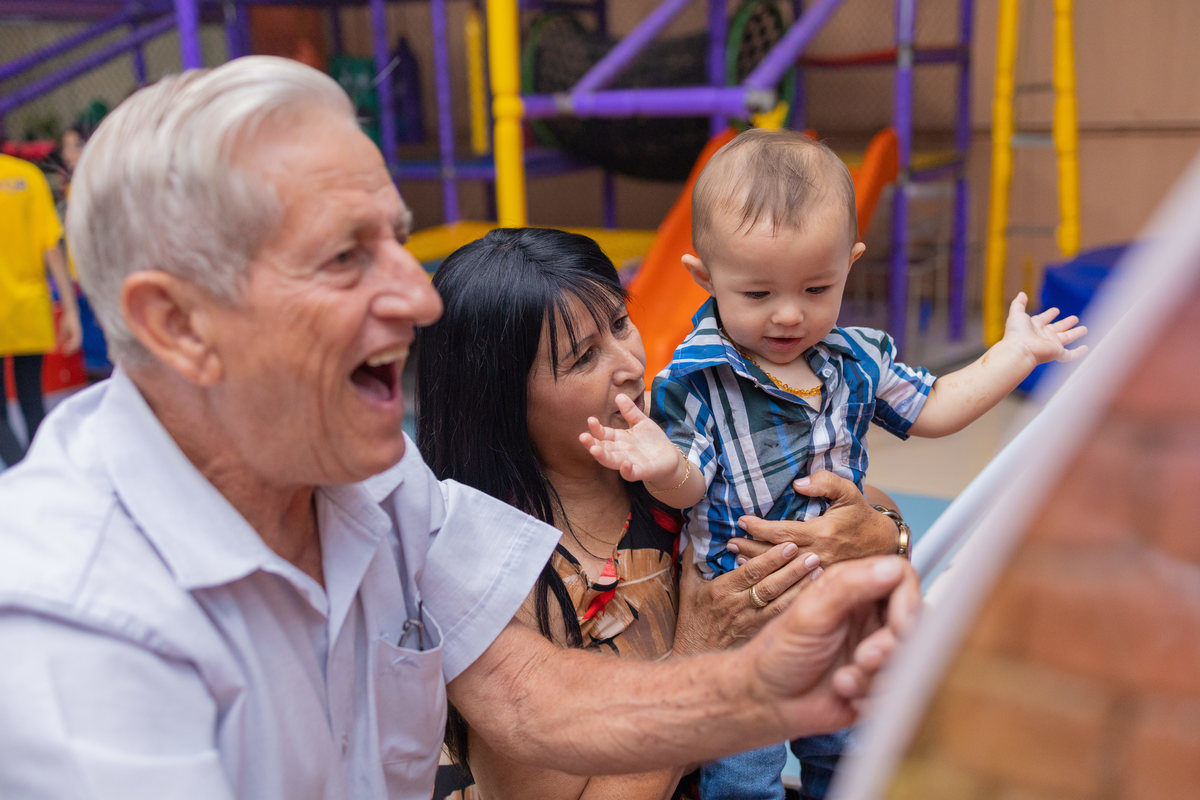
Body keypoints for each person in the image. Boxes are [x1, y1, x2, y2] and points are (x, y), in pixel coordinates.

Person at [0, 57, 920, 800]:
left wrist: (769, 683)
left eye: (397, 240)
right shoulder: (77, 635)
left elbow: (527, 694)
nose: (415, 295)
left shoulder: (375, 481)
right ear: (178, 325)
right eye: (345, 256)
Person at [581, 127, 1088, 799]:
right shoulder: (695, 381)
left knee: (851, 748)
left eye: (817, 288)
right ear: (706, 279)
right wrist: (659, 463)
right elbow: (689, 486)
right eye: (758, 295)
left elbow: (933, 406)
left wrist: (1012, 357)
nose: (790, 315)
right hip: (746, 618)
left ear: (849, 266)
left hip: (844, 603)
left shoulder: (857, 357)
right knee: (742, 774)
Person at [416, 227, 906, 799]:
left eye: (621, 324)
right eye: (583, 358)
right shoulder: (498, 570)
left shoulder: (673, 467)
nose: (629, 364)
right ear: (500, 398)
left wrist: (880, 536)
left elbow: (865, 510)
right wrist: (699, 650)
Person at [0, 149, 82, 467]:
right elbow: (51, 247)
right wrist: (70, 308)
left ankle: (23, 471)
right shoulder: (27, 176)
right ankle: (43, 470)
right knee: (33, 400)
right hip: (29, 308)